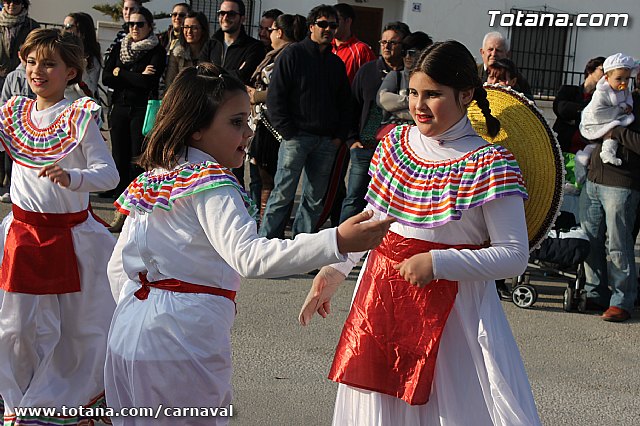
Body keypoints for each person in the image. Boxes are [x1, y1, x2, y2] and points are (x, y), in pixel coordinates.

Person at [104, 62, 394, 426]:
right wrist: (335, 240)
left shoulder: (157, 176)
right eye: (236, 122)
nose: (249, 132)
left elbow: (118, 266)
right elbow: (249, 257)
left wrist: (139, 313)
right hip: (182, 338)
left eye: (249, 120)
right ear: (196, 128)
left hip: (130, 330)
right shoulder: (212, 183)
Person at [300, 40, 541, 425]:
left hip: (453, 316)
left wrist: (438, 261)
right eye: (413, 92)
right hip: (380, 298)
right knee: (376, 409)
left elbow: (514, 255)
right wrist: (337, 268)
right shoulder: (394, 144)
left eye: (433, 95)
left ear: (466, 94)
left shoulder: (491, 163)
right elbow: (373, 219)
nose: (419, 106)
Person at [0, 28, 119, 424]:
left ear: (70, 71)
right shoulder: (15, 113)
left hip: (70, 237)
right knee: (16, 326)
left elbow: (109, 175)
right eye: (31, 61)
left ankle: (63, 398)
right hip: (22, 235)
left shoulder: (78, 116)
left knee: (80, 327)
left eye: (49, 63)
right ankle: (16, 400)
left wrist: (75, 178)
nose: (38, 70)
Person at [260, 4, 351, 238]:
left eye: (333, 25)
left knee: (314, 200)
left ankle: (303, 249)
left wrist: (339, 137)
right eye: (322, 24)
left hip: (326, 141)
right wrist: (288, 131)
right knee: (282, 193)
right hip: (296, 137)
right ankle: (267, 246)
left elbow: (344, 104)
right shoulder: (293, 54)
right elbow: (275, 95)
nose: (328, 29)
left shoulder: (336, 64)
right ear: (311, 27)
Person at [580, 87, 640, 322]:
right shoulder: (620, 99)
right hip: (594, 179)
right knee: (590, 240)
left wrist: (616, 131)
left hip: (622, 184)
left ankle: (622, 300)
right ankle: (595, 292)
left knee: (618, 244)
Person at [103, 6, 165, 231]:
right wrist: (132, 75)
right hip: (119, 108)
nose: (135, 28)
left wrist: (122, 73)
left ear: (150, 26)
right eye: (131, 24)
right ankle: (119, 212)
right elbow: (107, 77)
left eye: (140, 24)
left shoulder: (156, 50)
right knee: (118, 158)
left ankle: (135, 211)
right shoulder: (120, 46)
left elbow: (147, 83)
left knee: (137, 161)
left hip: (142, 110)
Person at [339, 21, 408, 224]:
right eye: (383, 42)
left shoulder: (411, 75)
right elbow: (351, 107)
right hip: (366, 145)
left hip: (397, 151)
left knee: (388, 202)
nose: (386, 46)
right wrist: (351, 140)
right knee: (354, 199)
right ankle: (341, 246)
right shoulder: (367, 71)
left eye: (393, 42)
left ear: (403, 45)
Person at [198, 0, 266, 188]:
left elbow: (242, 77)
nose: (225, 17)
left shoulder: (253, 47)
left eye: (231, 14)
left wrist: (217, 73)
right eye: (221, 13)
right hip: (209, 110)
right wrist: (231, 73)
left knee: (232, 164)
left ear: (242, 18)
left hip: (234, 115)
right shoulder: (212, 43)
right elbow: (201, 72)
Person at [247, 13, 306, 218]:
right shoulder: (277, 53)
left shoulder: (288, 54)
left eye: (271, 30)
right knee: (260, 177)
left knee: (268, 179)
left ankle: (265, 224)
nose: (268, 34)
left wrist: (257, 95)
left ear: (279, 32)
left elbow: (282, 88)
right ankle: (259, 219)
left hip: (273, 126)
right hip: (262, 123)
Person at [0, 0, 38, 188]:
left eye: (15, 1)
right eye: (6, 1)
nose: (10, 5)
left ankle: (11, 177)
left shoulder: (31, 26)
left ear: (23, 4)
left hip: (21, 78)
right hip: (3, 77)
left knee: (16, 132)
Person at [579, 53, 637, 167]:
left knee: (599, 142)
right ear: (607, 77)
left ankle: (584, 156)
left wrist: (629, 105)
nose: (623, 82)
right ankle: (607, 152)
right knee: (610, 133)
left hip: (609, 118)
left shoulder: (624, 90)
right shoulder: (601, 92)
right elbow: (596, 111)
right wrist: (619, 111)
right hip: (595, 120)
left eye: (627, 78)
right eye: (619, 79)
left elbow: (629, 98)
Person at [377, 31, 432, 124]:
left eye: (412, 53)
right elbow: (382, 99)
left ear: (424, 54)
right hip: (395, 133)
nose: (407, 57)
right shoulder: (396, 76)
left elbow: (431, 112)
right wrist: (411, 101)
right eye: (403, 53)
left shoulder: (431, 80)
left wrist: (395, 108)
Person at [552, 56, 605, 153]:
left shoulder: (602, 99)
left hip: (585, 151)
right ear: (590, 70)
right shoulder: (568, 90)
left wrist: (573, 117)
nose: (605, 75)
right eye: (603, 70)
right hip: (561, 146)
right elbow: (561, 109)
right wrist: (586, 113)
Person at [477, 31, 532, 99]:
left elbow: (529, 104)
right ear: (482, 52)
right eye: (490, 49)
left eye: (498, 50)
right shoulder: (473, 73)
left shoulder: (517, 77)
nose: (494, 54)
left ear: (507, 54)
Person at [332, 3, 376, 84]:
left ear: (348, 21)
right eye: (330, 21)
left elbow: (371, 80)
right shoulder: (324, 46)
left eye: (336, 20)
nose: (332, 25)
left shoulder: (362, 50)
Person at [164, 10, 209, 89]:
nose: (189, 31)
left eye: (194, 28)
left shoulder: (211, 52)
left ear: (203, 30)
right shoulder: (177, 53)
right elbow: (170, 82)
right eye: (186, 27)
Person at [62, 12, 102, 100]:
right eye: (63, 26)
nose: (64, 30)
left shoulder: (91, 59)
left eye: (68, 26)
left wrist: (82, 70)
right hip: (59, 106)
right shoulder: (60, 52)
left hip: (80, 109)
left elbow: (89, 92)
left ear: (82, 31)